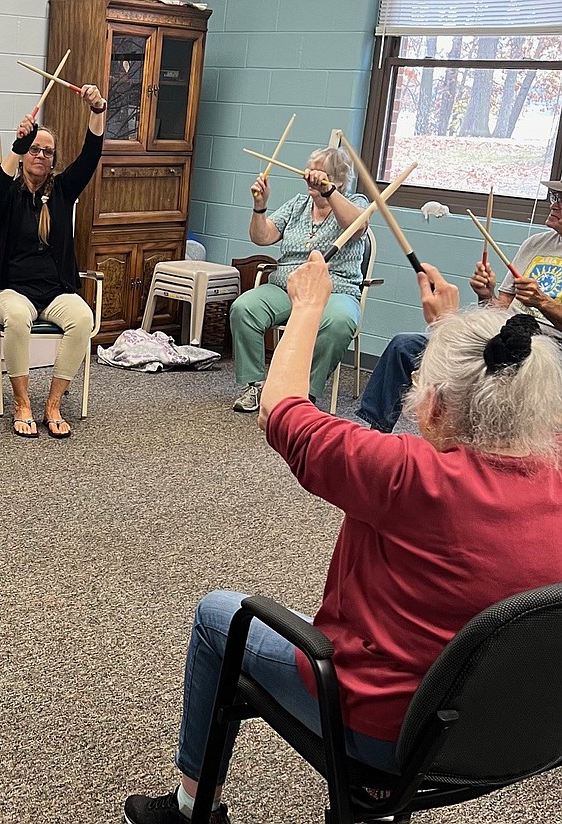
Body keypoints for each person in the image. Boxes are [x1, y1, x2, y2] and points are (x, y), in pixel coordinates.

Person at [124, 251, 562, 824]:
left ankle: (189, 808)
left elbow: (280, 411)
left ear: (431, 403)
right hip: (509, 735)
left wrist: (307, 307)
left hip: (387, 735)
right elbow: (470, 419)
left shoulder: (408, 475)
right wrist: (449, 332)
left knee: (218, 616)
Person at [357, 179, 562, 432]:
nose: (555, 205)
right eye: (555, 197)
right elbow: (500, 312)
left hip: (549, 351)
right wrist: (486, 294)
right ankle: (376, 433)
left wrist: (542, 302)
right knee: (405, 346)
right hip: (502, 336)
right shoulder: (536, 244)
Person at [0, 83, 107, 438]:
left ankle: (52, 404)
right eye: (34, 149)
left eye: (47, 152)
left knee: (83, 317)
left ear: (53, 160)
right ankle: (22, 403)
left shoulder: (63, 191)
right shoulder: (8, 195)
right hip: (12, 292)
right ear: (24, 154)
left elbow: (91, 155)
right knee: (18, 318)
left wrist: (97, 111)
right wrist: (17, 144)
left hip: (55, 292)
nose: (40, 155)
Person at [229, 147, 369, 413]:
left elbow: (357, 225)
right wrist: (260, 207)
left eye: (320, 172)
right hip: (287, 285)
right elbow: (263, 237)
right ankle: (256, 386)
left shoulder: (356, 202)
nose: (310, 177)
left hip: (335, 289)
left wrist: (329, 192)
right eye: (310, 170)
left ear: (338, 179)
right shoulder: (297, 205)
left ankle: (305, 395)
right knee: (244, 308)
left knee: (339, 322)